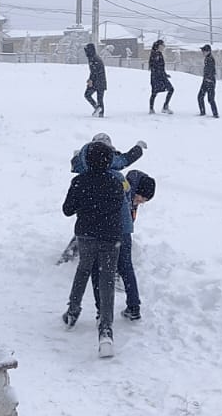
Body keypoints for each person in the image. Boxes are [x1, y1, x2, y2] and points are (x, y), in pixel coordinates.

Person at [61, 141, 127, 358]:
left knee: (83, 270)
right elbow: (119, 206)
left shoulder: (79, 182)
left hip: (86, 234)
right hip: (110, 236)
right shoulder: (115, 182)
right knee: (107, 279)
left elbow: (67, 210)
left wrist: (85, 205)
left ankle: (73, 311)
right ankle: (106, 329)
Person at [58, 133, 146, 265]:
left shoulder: (84, 161)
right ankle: (109, 265)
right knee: (105, 232)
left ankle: (69, 256)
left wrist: (77, 157)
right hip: (106, 204)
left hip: (86, 202)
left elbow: (75, 167)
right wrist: (138, 148)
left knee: (85, 230)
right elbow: (126, 159)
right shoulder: (110, 161)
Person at [113, 169, 156, 322]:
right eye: (141, 198)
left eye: (144, 201)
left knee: (124, 265)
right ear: (137, 190)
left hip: (119, 231)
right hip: (118, 231)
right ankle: (133, 306)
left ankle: (133, 306)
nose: (141, 202)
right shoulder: (126, 191)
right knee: (125, 265)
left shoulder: (131, 193)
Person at [147, 39, 174, 114]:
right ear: (159, 46)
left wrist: (165, 74)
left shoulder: (159, 54)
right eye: (163, 45)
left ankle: (164, 107)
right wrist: (161, 74)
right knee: (154, 92)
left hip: (161, 76)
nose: (164, 47)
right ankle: (152, 109)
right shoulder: (155, 54)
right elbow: (155, 67)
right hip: (157, 77)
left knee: (170, 89)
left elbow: (161, 67)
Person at [83, 42, 107, 117]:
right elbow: (94, 71)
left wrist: (91, 80)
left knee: (87, 95)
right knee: (100, 98)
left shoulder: (93, 58)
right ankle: (100, 113)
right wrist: (90, 79)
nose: (85, 52)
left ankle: (98, 109)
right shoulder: (95, 57)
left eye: (86, 50)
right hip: (101, 81)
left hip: (97, 81)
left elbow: (94, 71)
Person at [197, 44, 218, 118]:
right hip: (206, 81)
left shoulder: (210, 59)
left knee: (210, 99)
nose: (202, 52)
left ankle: (215, 114)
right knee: (200, 97)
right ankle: (203, 112)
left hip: (210, 81)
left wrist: (209, 79)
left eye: (204, 51)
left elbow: (212, 70)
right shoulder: (207, 58)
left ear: (208, 51)